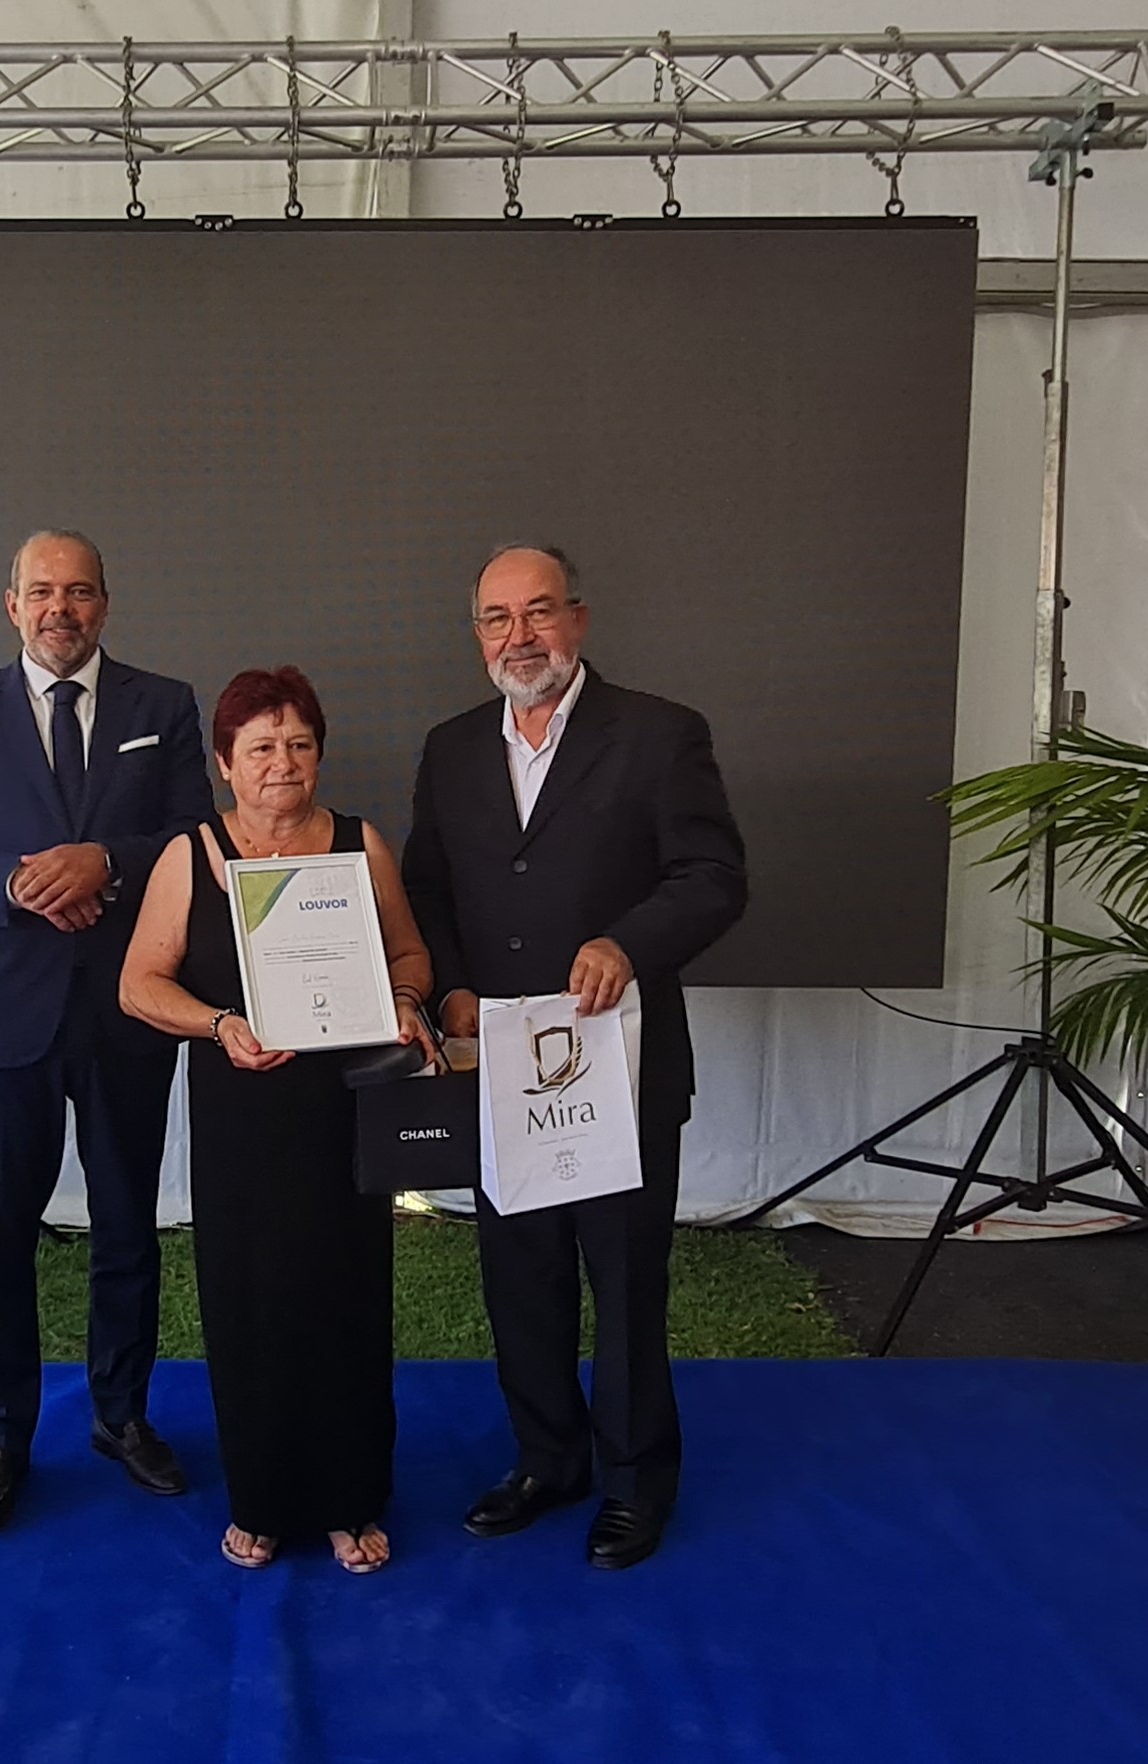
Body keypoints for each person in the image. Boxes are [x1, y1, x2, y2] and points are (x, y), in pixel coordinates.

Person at [403, 543, 747, 1571]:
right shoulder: (450, 748)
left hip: (622, 1068)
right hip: (501, 1065)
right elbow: (427, 889)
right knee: (522, 1276)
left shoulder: (660, 734)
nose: (521, 636)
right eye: (498, 618)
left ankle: (636, 1482)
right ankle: (547, 1459)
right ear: (477, 636)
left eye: (539, 612)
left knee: (625, 1282)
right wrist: (451, 989)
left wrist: (627, 945)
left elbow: (713, 875)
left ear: (578, 620)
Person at [0, 529, 213, 1533]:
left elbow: (194, 836)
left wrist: (102, 863)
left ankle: (122, 1417)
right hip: (1, 1016)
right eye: (41, 592)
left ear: (104, 605)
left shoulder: (162, 705)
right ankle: (1, 1437)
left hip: (127, 1008)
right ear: (12, 605)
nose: (59, 609)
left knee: (126, 1227)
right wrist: (18, 882)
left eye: (78, 592)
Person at [119, 666, 435, 1574]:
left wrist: (404, 999)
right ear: (225, 763)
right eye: (260, 747)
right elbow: (139, 984)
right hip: (241, 1115)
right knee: (250, 1304)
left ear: (320, 754)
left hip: (343, 1111)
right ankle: (260, 1498)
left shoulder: (360, 843)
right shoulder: (189, 855)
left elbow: (410, 953)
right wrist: (219, 1024)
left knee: (345, 1298)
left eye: (299, 744)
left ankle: (349, 1498)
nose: (282, 763)